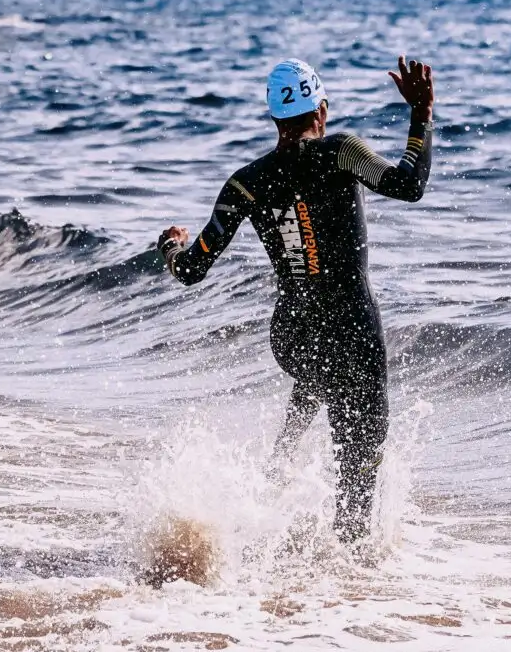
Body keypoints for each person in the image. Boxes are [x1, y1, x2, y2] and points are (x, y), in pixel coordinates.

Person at [158, 56, 434, 544]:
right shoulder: (343, 151)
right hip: (352, 330)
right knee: (360, 459)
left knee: (319, 372)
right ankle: (351, 568)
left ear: (274, 118)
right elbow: (408, 184)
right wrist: (421, 112)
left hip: (292, 337)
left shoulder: (245, 181)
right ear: (321, 109)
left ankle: (285, 452)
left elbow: (191, 269)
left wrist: (171, 244)